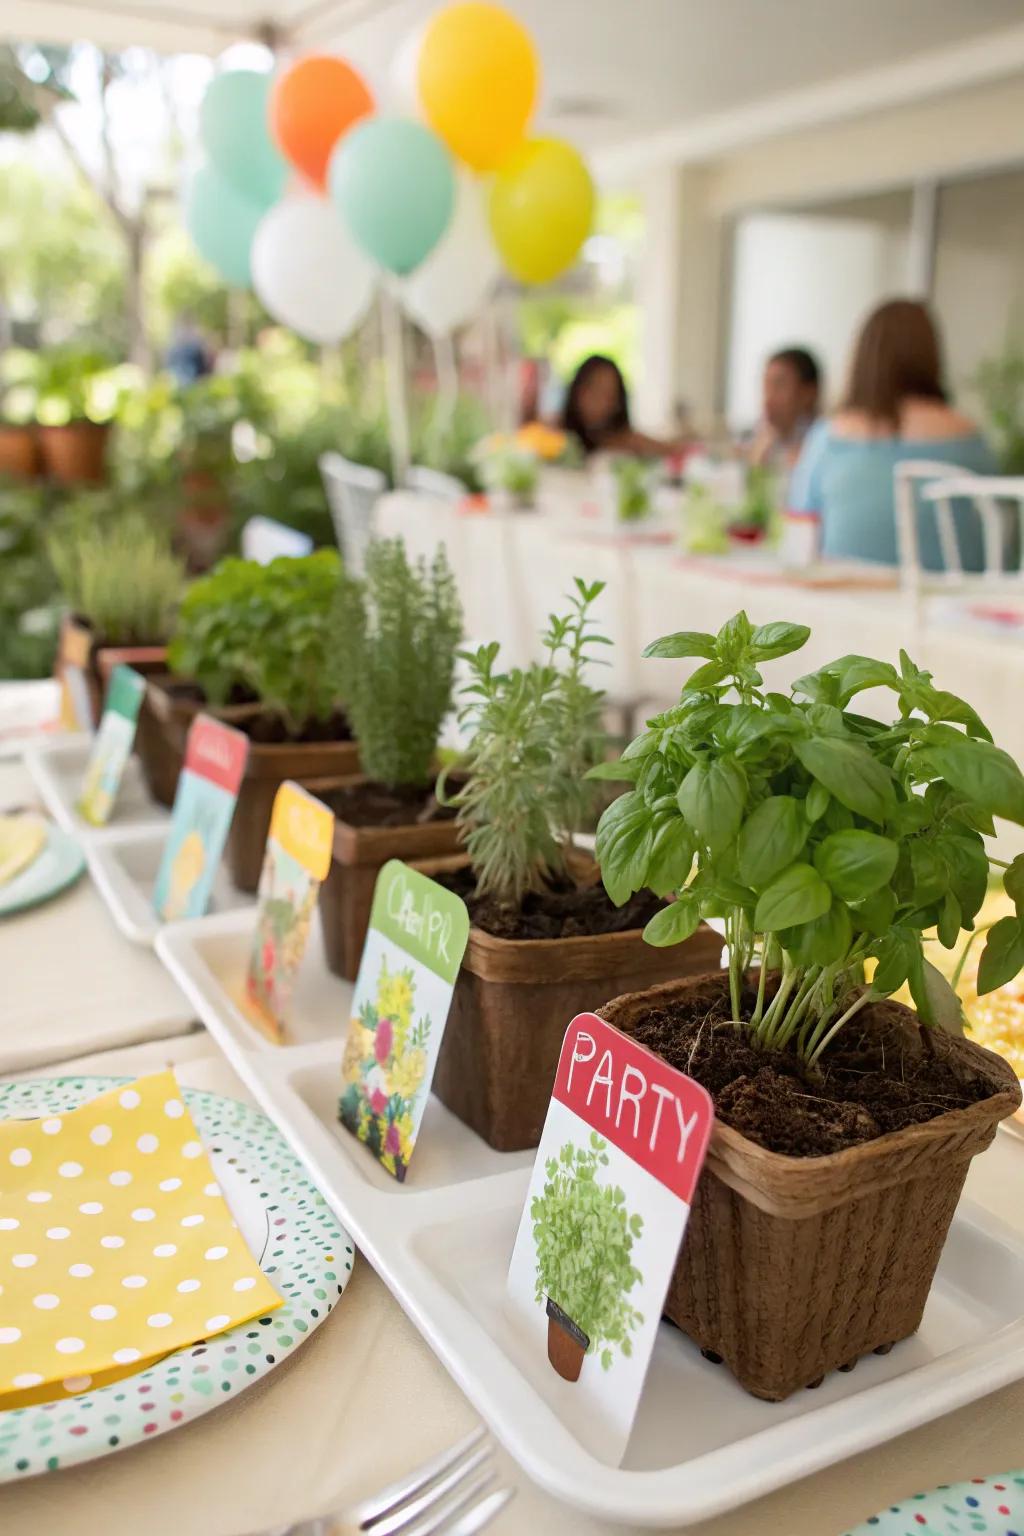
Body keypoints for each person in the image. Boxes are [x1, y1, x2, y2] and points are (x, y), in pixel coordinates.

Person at [789, 299, 996, 568]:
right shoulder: (970, 437)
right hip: (945, 602)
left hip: (848, 597)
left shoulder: (829, 436)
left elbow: (801, 528)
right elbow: (998, 530)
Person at [560, 355, 685, 458]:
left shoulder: (630, 442)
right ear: (577, 390)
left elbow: (675, 450)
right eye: (594, 391)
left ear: (617, 403)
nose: (599, 402)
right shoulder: (554, 432)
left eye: (608, 395)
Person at [749, 347, 821, 470]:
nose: (768, 398)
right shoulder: (763, 433)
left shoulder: (821, 444)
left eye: (779, 386)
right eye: (766, 386)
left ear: (808, 392)